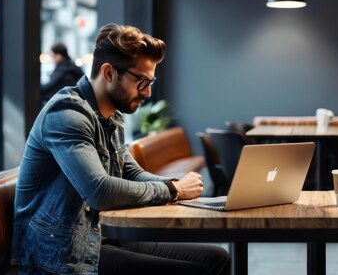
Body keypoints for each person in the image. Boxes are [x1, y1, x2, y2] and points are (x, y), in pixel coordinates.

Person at [12, 24, 230, 274]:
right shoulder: (66, 114)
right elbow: (99, 191)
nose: (147, 92)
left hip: (99, 237)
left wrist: (178, 186)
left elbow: (132, 172)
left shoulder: (111, 116)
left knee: (217, 258)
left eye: (151, 81)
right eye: (141, 81)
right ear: (108, 73)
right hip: (60, 255)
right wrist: (173, 189)